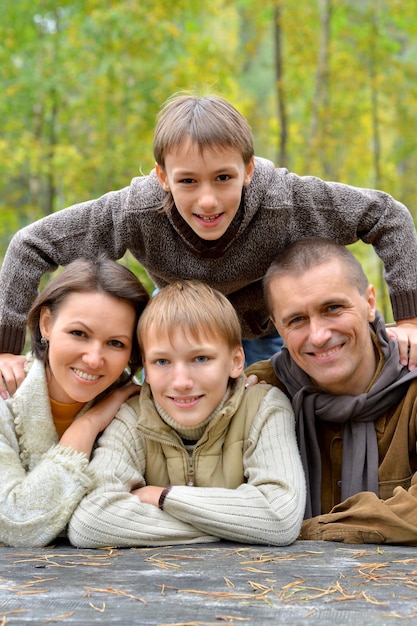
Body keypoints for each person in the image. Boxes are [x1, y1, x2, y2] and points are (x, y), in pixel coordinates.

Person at [2, 92, 417, 397]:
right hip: (183, 323)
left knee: (275, 414)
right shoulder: (135, 212)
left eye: (223, 178)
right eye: (187, 181)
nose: (207, 201)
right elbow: (32, 244)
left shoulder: (285, 200)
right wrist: (5, 350)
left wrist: (410, 318)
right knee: (168, 409)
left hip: (264, 328)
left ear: (247, 170)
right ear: (163, 177)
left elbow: (386, 216)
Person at [68, 280, 305, 548]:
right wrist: (238, 525)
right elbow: (91, 522)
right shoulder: (133, 418)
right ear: (144, 366)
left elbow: (280, 518)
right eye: (162, 361)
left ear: (236, 361)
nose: (181, 382)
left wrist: (164, 497)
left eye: (200, 359)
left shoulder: (263, 407)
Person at [246, 237, 417, 545]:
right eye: (297, 319)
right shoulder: (259, 391)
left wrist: (306, 531)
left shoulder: (413, 384)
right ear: (277, 328)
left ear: (369, 303)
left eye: (333, 308)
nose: (319, 335)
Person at [0, 256, 149, 548]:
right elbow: (17, 525)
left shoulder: (138, 410)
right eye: (79, 334)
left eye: (116, 343)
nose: (94, 359)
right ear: (47, 324)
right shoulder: (6, 397)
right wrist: (89, 424)